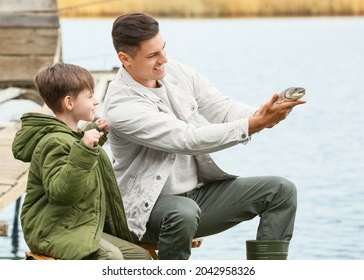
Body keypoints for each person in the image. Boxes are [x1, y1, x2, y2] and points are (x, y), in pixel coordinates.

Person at [103, 13, 306, 260]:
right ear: (125, 59)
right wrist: (253, 125)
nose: (164, 59)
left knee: (281, 191)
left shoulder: (176, 72)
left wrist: (262, 114)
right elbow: (188, 139)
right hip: (144, 212)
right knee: (183, 212)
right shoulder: (121, 105)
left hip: (196, 198)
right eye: (152, 55)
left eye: (163, 48)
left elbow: (222, 108)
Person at [12, 62, 151, 260]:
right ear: (69, 103)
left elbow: (72, 151)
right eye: (90, 96)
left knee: (140, 257)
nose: (96, 101)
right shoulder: (53, 142)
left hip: (77, 225)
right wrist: (85, 149)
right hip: (52, 230)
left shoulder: (69, 136)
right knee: (112, 259)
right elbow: (62, 193)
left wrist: (95, 135)